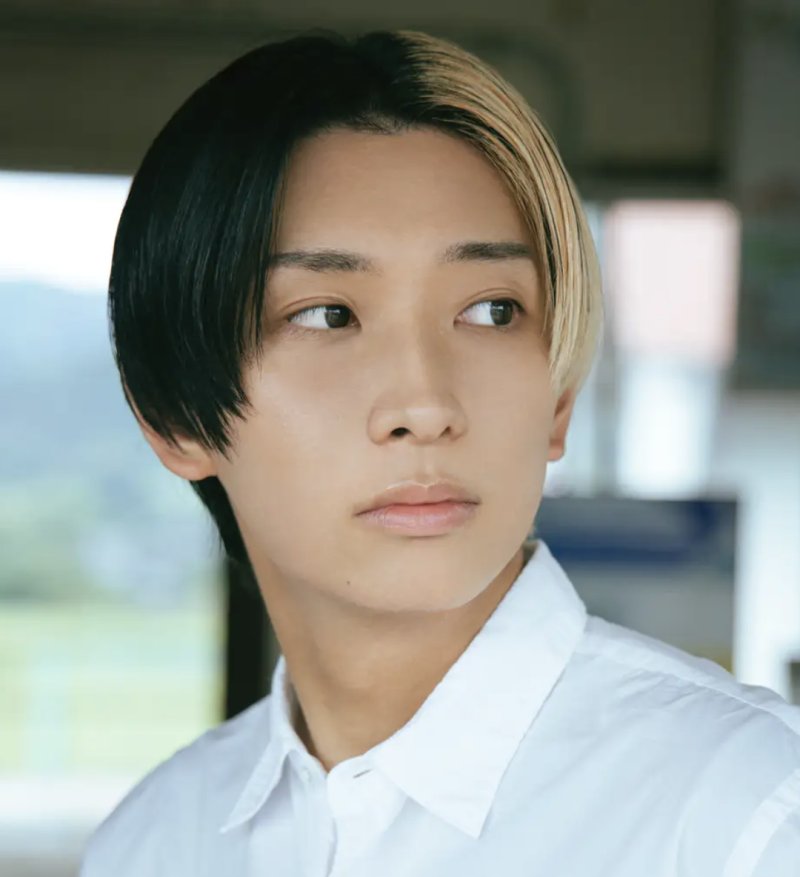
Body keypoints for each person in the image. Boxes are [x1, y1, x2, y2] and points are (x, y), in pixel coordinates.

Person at [79, 28, 800, 877]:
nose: (425, 406)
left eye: (492, 310)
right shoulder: (153, 842)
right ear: (176, 418)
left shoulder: (750, 815)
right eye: (328, 315)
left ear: (558, 398)